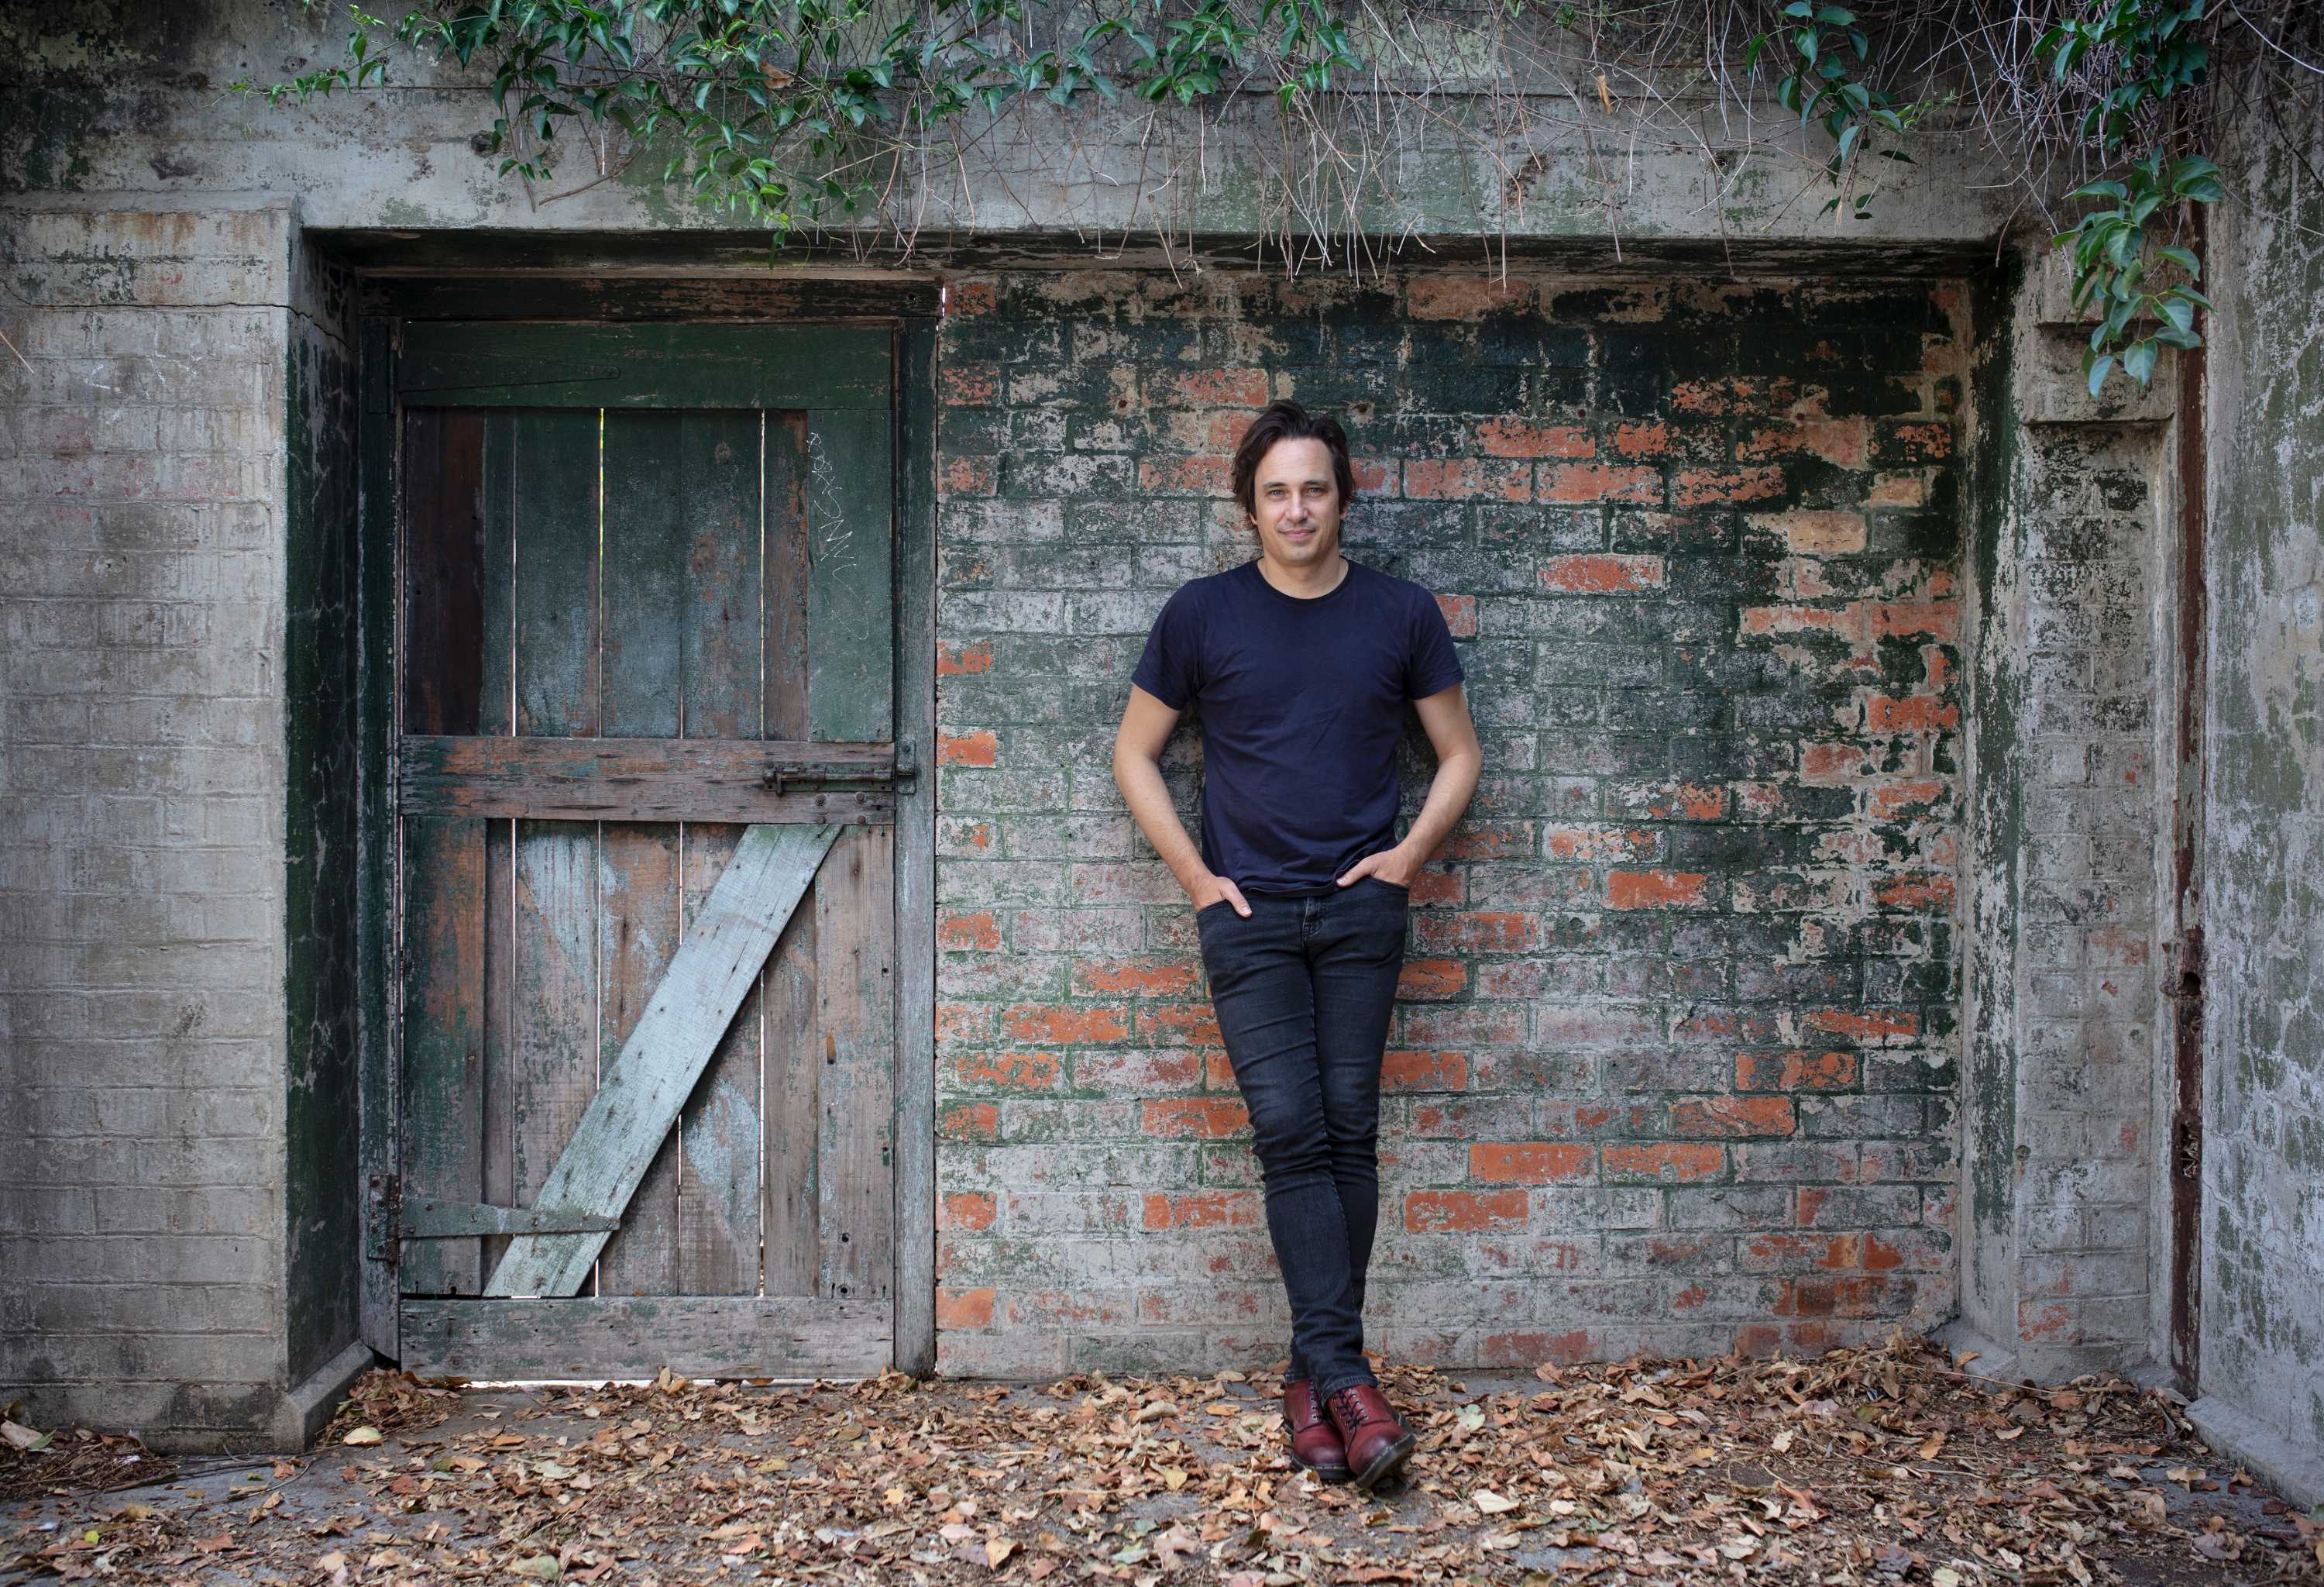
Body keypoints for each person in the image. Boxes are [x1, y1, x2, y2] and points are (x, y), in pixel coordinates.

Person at [1110, 399, 1483, 1491]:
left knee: (1348, 1134)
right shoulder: (1201, 616)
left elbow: (1458, 755)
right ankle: (1349, 1383)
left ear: (1343, 497)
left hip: (1362, 909)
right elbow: (1134, 755)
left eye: (1314, 487)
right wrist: (1197, 878)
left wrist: (1407, 856)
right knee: (1291, 1132)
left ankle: (1311, 1387)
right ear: (1249, 506)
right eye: (1276, 490)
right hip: (1248, 918)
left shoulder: (1401, 614)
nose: (1297, 507)